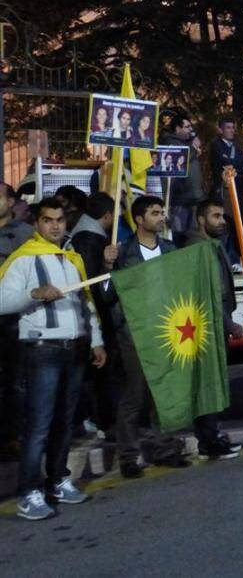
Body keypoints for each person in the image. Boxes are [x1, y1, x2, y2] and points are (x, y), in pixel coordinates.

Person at [0, 198, 106, 520]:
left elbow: (85, 303)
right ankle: (29, 492)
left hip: (74, 349)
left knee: (65, 422)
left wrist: (97, 341)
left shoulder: (71, 258)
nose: (56, 226)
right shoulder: (23, 260)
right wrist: (32, 294)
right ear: (37, 224)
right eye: (48, 220)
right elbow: (2, 302)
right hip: (42, 350)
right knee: (39, 425)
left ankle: (58, 480)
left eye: (60, 220)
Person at [105, 196, 190, 477]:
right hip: (135, 333)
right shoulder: (123, 253)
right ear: (139, 219)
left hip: (166, 330)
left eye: (161, 212)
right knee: (135, 394)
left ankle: (165, 449)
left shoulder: (169, 248)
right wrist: (107, 268)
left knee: (163, 393)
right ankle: (128, 456)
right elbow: (106, 295)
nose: (161, 217)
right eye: (154, 213)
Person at [183, 201, 243, 458]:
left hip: (216, 323)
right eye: (215, 216)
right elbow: (210, 292)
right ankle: (209, 440)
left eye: (222, 216)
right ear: (200, 219)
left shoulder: (212, 244)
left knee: (215, 383)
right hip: (207, 326)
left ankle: (212, 435)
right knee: (208, 384)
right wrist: (228, 322)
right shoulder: (197, 248)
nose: (221, 221)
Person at [67, 193, 119, 438]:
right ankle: (100, 419)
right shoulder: (89, 241)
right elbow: (91, 287)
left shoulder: (82, 235)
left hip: (87, 318)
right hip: (92, 317)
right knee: (98, 372)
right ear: (107, 215)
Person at [0, 183, 33, 456]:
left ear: (11, 201)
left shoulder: (25, 235)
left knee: (15, 381)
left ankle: (14, 436)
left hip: (13, 318)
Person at [159, 113, 206, 245]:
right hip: (180, 199)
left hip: (191, 198)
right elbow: (179, 159)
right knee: (179, 234)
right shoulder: (170, 141)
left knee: (192, 234)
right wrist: (193, 147)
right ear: (177, 128)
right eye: (187, 127)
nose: (190, 130)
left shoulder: (185, 143)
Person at [209, 118, 243, 196]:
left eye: (233, 128)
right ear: (221, 130)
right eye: (228, 128)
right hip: (222, 187)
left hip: (237, 187)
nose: (232, 130)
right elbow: (224, 164)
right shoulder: (216, 145)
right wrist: (238, 165)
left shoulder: (237, 145)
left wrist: (234, 169)